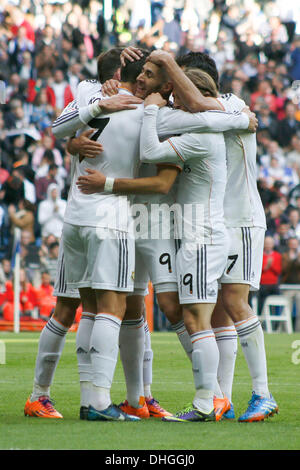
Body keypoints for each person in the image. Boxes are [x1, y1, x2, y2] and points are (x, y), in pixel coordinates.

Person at [257, 236, 282, 315]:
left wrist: (271, 265)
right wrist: (267, 266)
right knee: (261, 304)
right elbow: (258, 270)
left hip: (273, 284)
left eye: (270, 243)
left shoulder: (277, 255)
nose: (268, 245)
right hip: (262, 284)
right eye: (266, 243)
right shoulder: (260, 255)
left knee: (276, 305)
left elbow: (278, 271)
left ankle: (276, 323)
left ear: (273, 245)